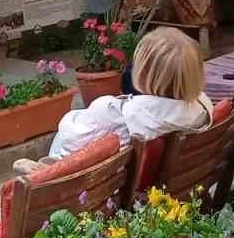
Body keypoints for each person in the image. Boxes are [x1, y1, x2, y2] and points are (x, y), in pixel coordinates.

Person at [40, 27, 212, 162]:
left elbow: (67, 141)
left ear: (143, 73)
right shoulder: (202, 109)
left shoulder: (114, 113)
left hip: (95, 193)